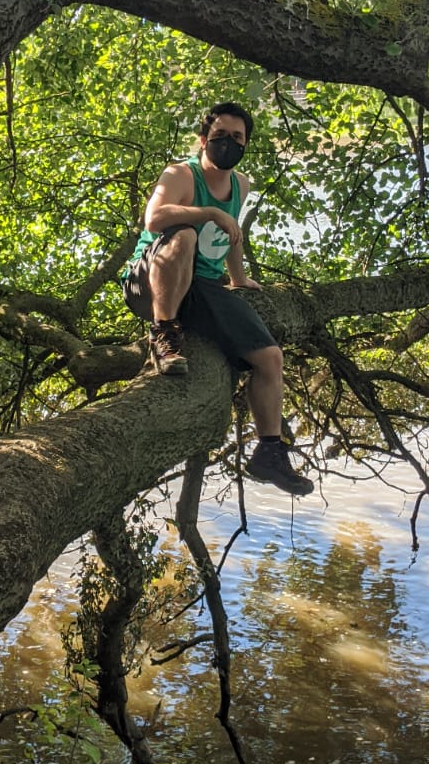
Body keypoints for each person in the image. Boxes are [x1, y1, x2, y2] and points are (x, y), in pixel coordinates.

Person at [123, 102, 313, 497]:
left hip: (202, 286)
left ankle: (269, 452)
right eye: (221, 136)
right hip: (150, 278)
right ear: (204, 139)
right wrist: (206, 211)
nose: (228, 143)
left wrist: (239, 278)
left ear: (247, 144)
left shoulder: (241, 184)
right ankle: (164, 333)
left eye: (238, 138)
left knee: (270, 357)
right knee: (186, 235)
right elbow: (154, 220)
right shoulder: (181, 174)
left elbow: (230, 234)